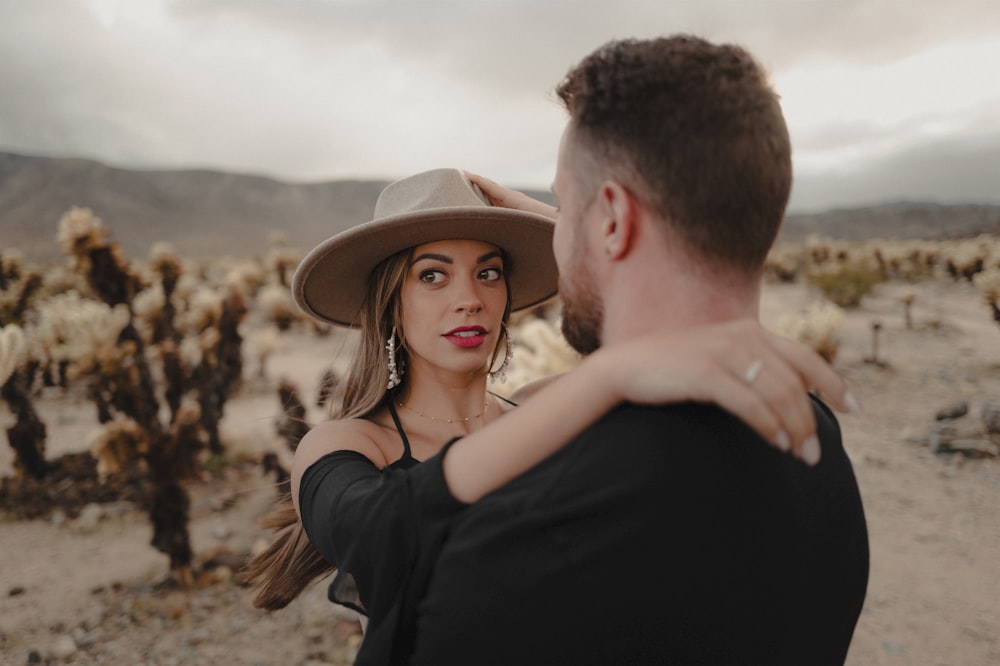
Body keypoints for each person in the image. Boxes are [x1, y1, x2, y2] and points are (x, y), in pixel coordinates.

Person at [374, 36, 869, 666]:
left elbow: (395, 542)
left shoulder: (529, 536)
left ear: (611, 219)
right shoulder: (815, 443)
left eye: (565, 207)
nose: (557, 241)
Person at [244, 167, 855, 661]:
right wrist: (608, 375)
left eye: (490, 272)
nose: (470, 299)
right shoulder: (348, 444)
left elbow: (700, 339)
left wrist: (562, 230)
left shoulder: (548, 409)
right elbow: (378, 533)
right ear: (390, 306)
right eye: (432, 276)